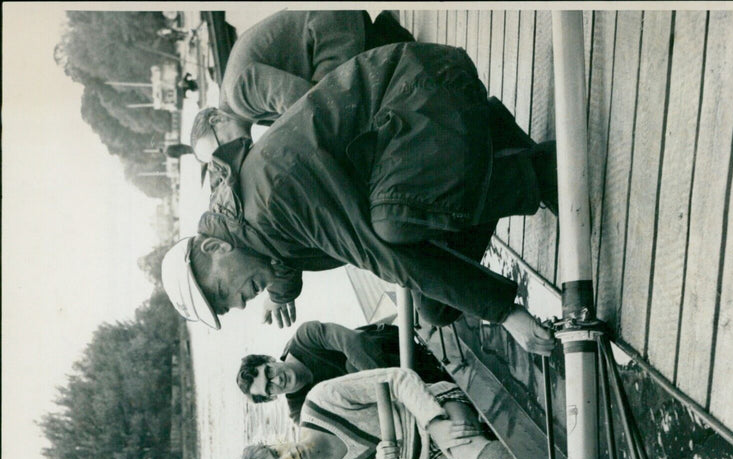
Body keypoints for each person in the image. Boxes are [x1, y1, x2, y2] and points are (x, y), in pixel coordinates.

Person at [161, 42, 559, 349]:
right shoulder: (251, 229)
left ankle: (534, 173)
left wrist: (505, 312)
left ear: (215, 247)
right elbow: (278, 260)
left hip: (422, 85)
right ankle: (495, 142)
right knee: (437, 309)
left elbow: (378, 253)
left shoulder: (272, 197)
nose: (237, 304)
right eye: (226, 308)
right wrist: (278, 293)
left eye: (220, 292)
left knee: (394, 226)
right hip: (410, 127)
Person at [240, 367, 543, 459]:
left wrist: (434, 424)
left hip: (433, 408)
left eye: (276, 453)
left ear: (275, 443)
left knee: (463, 449)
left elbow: (398, 378)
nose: (289, 456)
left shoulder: (321, 402)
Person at [190, 10, 415, 163]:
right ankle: (385, 41)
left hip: (331, 29)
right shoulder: (241, 104)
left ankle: (389, 48)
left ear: (216, 119)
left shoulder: (239, 94)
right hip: (329, 24)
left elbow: (306, 103)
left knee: (332, 111)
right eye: (222, 160)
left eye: (221, 147)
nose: (230, 156)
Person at [236, 319, 448, 422]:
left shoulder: (305, 339)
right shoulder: (301, 411)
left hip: (392, 351)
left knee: (352, 366)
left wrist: (392, 389)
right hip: (392, 401)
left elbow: (353, 341)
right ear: (272, 397)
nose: (277, 381)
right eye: (269, 388)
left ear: (269, 359)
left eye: (269, 372)